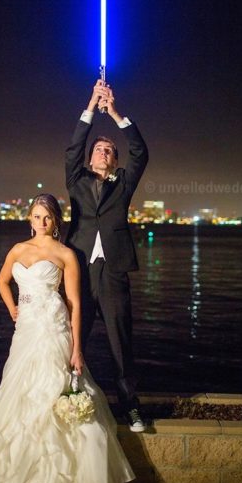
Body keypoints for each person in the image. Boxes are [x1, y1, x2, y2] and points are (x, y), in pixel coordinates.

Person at [0, 193, 135, 483]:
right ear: (30, 219)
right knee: (19, 393)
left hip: (54, 330)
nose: (42, 222)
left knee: (56, 391)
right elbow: (2, 280)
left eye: (47, 217)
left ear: (55, 221)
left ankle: (71, 476)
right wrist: (13, 310)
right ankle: (14, 472)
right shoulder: (18, 249)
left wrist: (78, 349)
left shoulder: (65, 254)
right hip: (25, 332)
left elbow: (76, 304)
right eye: (37, 216)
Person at [65, 80, 149, 432]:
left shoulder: (123, 184)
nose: (103, 152)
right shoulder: (77, 181)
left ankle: (130, 408)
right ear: (91, 157)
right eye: (98, 148)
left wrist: (113, 112)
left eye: (108, 150)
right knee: (74, 340)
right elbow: (72, 149)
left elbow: (141, 152)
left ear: (114, 160)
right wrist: (91, 103)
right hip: (80, 273)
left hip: (114, 274)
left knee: (120, 344)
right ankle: (68, 398)